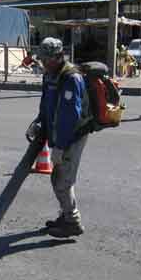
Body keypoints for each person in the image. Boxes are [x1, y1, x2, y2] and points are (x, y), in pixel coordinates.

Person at [27, 37, 89, 238]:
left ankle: (73, 221)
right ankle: (65, 216)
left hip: (72, 136)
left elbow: (70, 116)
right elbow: (46, 103)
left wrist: (60, 147)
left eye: (47, 60)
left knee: (62, 181)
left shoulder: (71, 78)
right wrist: (38, 122)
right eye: (42, 59)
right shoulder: (50, 75)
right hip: (58, 134)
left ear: (58, 56)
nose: (43, 63)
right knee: (59, 178)